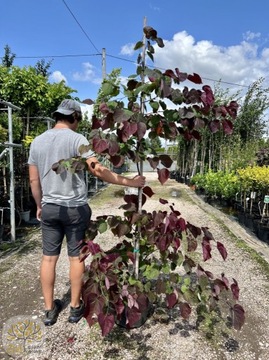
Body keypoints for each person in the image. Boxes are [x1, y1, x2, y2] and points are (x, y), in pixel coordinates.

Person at [28, 99, 146, 326]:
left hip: (50, 208)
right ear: (74, 117)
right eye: (78, 119)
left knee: (48, 258)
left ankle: (49, 310)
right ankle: (74, 308)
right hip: (74, 209)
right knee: (76, 257)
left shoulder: (37, 142)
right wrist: (129, 181)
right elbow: (98, 169)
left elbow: (34, 179)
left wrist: (39, 205)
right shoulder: (77, 140)